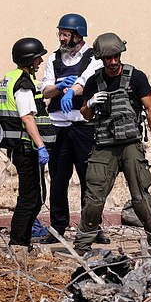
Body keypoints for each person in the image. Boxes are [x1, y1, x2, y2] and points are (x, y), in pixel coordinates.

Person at [73, 33, 151, 255]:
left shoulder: (136, 77)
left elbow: (150, 109)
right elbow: (86, 115)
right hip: (104, 144)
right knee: (94, 197)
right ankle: (83, 243)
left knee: (140, 196)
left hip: (130, 143)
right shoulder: (94, 82)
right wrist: (91, 103)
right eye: (108, 59)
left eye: (116, 57)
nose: (113, 62)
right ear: (101, 59)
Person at [39, 13, 109, 244]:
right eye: (60, 34)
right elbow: (45, 90)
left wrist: (72, 90)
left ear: (78, 36)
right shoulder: (54, 59)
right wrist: (59, 87)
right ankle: (58, 226)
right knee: (59, 179)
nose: (61, 38)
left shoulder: (92, 57)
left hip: (83, 125)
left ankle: (91, 226)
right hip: (58, 126)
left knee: (89, 179)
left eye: (65, 35)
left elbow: (85, 81)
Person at [0, 37, 56, 250]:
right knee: (30, 198)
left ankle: (22, 241)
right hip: (27, 148)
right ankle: (18, 241)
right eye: (37, 57)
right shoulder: (23, 84)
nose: (40, 61)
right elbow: (27, 117)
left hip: (20, 148)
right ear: (29, 59)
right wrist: (41, 146)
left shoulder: (10, 78)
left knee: (33, 197)